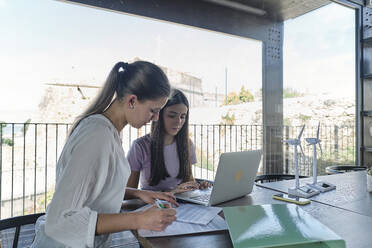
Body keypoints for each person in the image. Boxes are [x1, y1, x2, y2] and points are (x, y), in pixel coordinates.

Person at [31, 61, 177, 248]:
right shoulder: (97, 136)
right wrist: (138, 219)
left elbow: (96, 188)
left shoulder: (111, 132)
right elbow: (61, 221)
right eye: (153, 110)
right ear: (132, 101)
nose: (156, 118)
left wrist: (139, 193)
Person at [126, 89, 212, 193]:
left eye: (182, 117)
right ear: (159, 115)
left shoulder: (187, 144)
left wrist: (199, 187)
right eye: (172, 116)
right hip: (153, 206)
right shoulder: (139, 147)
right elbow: (129, 193)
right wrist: (172, 192)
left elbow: (189, 181)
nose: (178, 122)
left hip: (181, 204)